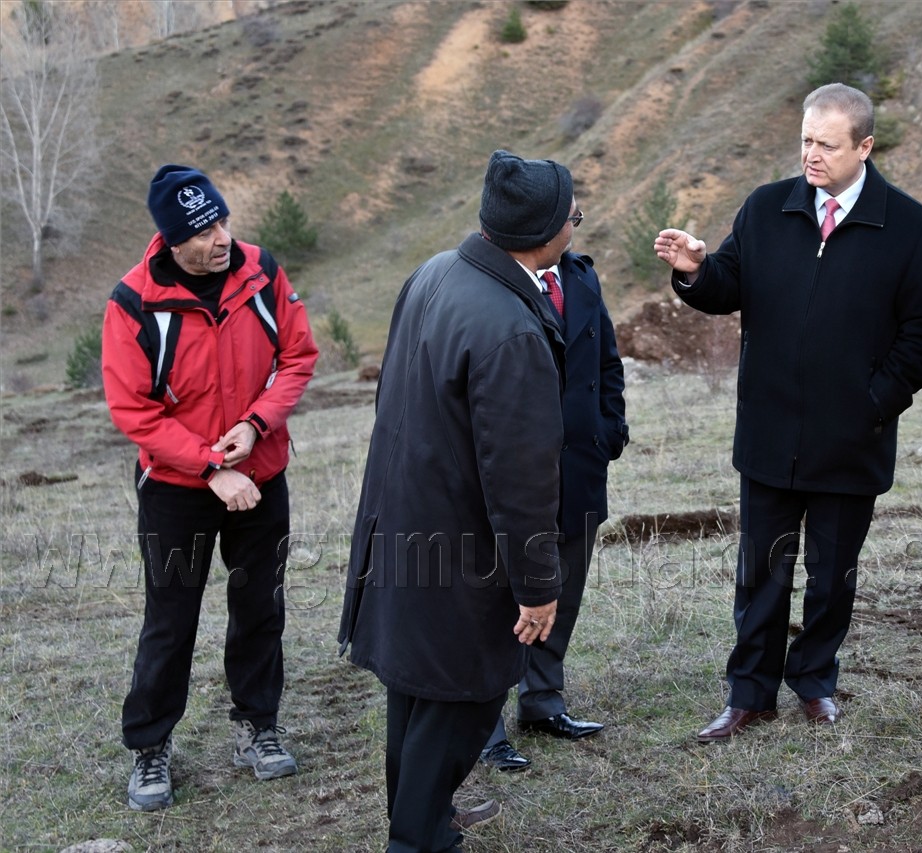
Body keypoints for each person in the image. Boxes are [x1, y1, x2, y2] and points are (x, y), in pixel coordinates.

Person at [653, 83, 922, 742]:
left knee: (831, 577)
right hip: (768, 433)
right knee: (760, 572)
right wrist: (697, 269)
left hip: (852, 441)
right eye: (806, 141)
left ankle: (814, 682)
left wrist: (872, 404)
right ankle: (750, 694)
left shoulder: (910, 227)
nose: (811, 155)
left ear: (865, 147)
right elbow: (727, 286)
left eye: (827, 145)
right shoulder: (767, 208)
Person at [338, 149, 573, 852]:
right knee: (462, 701)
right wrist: (537, 588)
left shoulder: (435, 271)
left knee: (414, 691)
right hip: (461, 548)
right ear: (543, 232)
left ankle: (424, 821)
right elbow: (521, 478)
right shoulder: (510, 328)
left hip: (404, 522)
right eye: (572, 215)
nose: (576, 223)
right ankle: (418, 840)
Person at [101, 164, 318, 811]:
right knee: (171, 619)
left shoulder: (262, 271)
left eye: (222, 221)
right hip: (177, 488)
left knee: (260, 607)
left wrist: (256, 425)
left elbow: (298, 357)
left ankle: (258, 726)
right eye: (203, 231)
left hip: (261, 474)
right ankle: (150, 745)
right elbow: (133, 409)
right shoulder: (134, 301)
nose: (221, 238)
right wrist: (209, 467)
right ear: (172, 239)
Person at [479, 238, 629, 771]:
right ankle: (484, 726)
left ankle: (542, 701)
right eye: (570, 216)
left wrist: (610, 431)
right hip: (517, 471)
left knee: (564, 587)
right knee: (501, 595)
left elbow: (607, 361)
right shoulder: (493, 283)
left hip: (581, 466)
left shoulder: (582, 276)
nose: (574, 227)